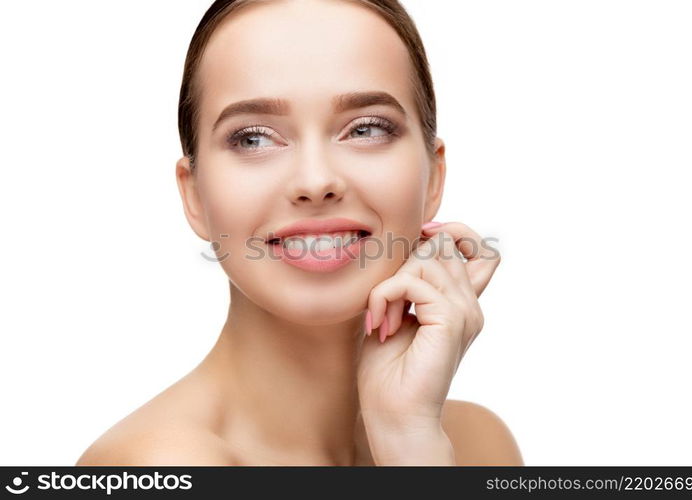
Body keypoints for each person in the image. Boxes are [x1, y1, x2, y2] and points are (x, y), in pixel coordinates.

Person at [76, 0, 523, 466]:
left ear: (433, 177)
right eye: (253, 138)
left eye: (366, 129)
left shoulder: (478, 446)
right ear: (194, 196)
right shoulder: (158, 465)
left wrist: (407, 436)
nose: (315, 182)